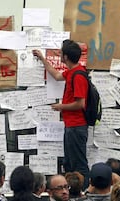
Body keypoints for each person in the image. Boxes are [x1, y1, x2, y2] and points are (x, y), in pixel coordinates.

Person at [33, 40, 90, 188]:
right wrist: (42, 58)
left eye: (61, 52)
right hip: (71, 126)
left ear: (65, 56)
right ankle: (72, 192)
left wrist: (61, 107)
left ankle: (83, 193)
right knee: (70, 164)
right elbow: (57, 76)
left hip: (77, 127)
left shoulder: (78, 76)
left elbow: (80, 103)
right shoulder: (71, 72)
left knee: (79, 164)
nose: (59, 54)